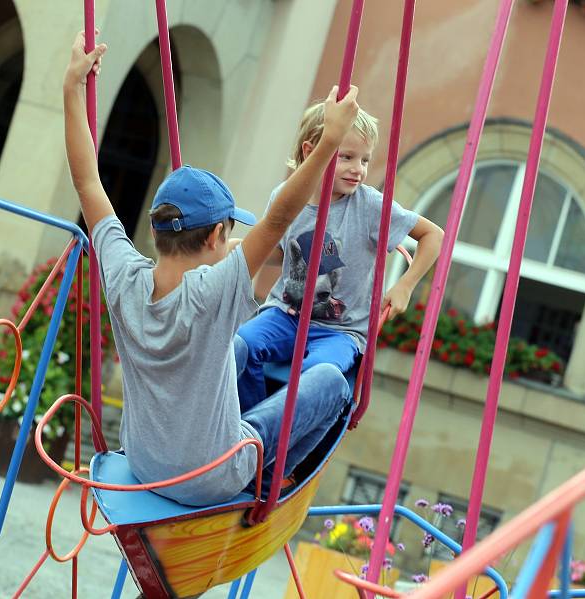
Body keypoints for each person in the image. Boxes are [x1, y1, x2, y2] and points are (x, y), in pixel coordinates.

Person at [63, 31, 361, 505]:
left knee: (238, 352)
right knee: (330, 382)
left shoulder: (123, 273)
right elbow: (279, 217)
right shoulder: (213, 290)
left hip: (143, 461)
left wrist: (71, 87)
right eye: (228, 233)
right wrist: (327, 142)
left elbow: (87, 182)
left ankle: (239, 444)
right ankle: (267, 487)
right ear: (213, 238)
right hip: (209, 479)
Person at [236, 99, 445, 411]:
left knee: (319, 375)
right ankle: (248, 424)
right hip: (285, 314)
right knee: (242, 345)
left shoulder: (370, 206)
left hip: (340, 330)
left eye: (364, 160)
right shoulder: (285, 197)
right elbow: (280, 253)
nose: (358, 170)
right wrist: (235, 253)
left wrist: (405, 285)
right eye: (347, 157)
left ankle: (273, 431)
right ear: (311, 152)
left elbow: (433, 235)